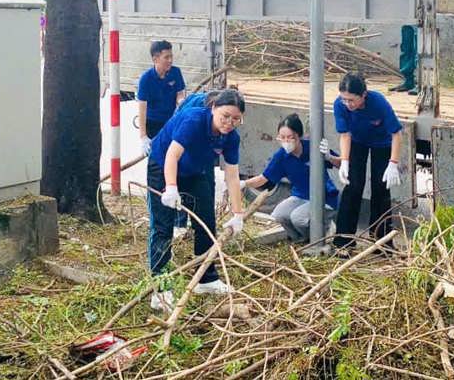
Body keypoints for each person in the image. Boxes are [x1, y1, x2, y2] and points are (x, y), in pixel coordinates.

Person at [146, 89, 246, 310]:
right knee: (163, 228)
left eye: (236, 118)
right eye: (225, 116)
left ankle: (206, 278)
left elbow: (232, 175)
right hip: (163, 166)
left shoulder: (231, 137)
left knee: (207, 222)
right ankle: (160, 288)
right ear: (213, 109)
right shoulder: (193, 120)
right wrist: (171, 188)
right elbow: (172, 155)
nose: (229, 122)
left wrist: (238, 214)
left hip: (194, 171)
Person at [331, 73, 404, 252]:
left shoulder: (378, 102)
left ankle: (381, 241)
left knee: (381, 188)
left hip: (382, 143)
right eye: (344, 99)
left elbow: (396, 133)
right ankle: (344, 240)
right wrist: (345, 161)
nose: (347, 104)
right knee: (353, 186)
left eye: (351, 100)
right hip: (357, 141)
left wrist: (393, 163)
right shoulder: (340, 106)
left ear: (363, 94)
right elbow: (345, 134)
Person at [243, 113, 340, 243]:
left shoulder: (313, 148)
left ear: (298, 136)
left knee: (298, 217)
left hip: (325, 197)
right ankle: (300, 239)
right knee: (279, 214)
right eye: (282, 138)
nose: (286, 142)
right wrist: (243, 183)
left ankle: (321, 235)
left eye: (290, 138)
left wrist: (329, 157)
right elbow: (263, 178)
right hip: (300, 196)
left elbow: (340, 163)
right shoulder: (282, 156)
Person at [137, 40, 186, 154]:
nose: (170, 60)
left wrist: (181, 102)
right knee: (156, 159)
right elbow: (142, 110)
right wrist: (143, 137)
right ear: (155, 59)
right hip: (153, 124)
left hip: (171, 122)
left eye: (171, 56)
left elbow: (180, 94)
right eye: (166, 57)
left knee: (174, 156)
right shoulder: (146, 79)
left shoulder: (175, 72)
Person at [389, 25, 418, 95]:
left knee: (418, 49)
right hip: (407, 19)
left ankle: (421, 84)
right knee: (406, 48)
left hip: (420, 20)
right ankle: (409, 82)